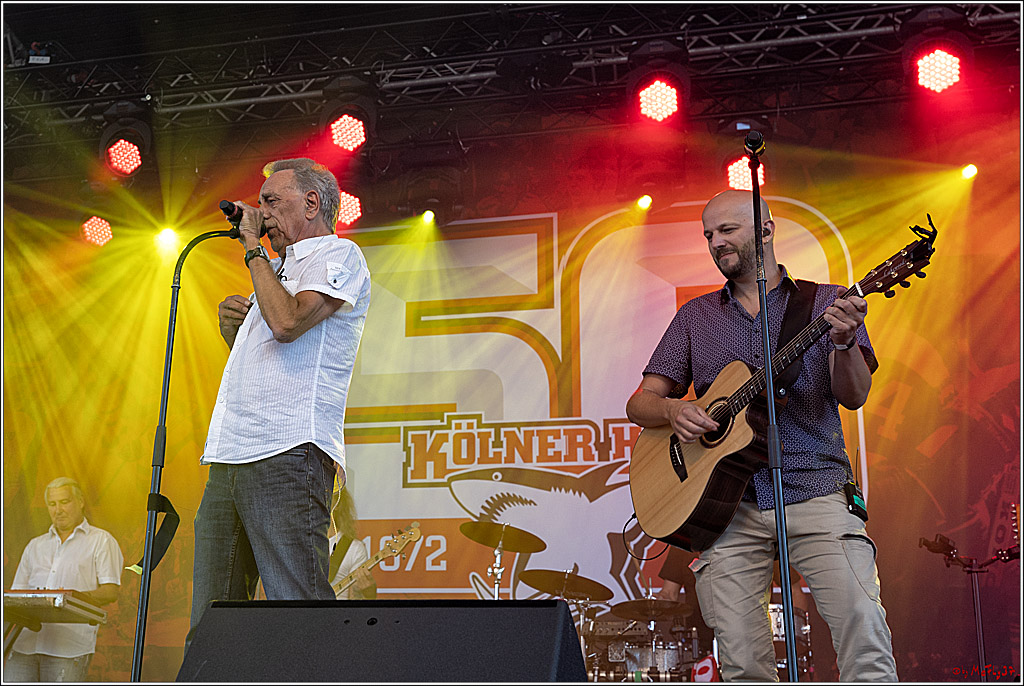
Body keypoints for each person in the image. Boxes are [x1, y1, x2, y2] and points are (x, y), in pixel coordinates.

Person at [625, 190, 897, 681]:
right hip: (726, 508)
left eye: (727, 231)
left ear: (766, 230)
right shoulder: (695, 316)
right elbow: (639, 402)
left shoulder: (827, 302)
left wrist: (842, 343)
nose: (716, 243)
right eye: (708, 235)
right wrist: (673, 409)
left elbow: (854, 396)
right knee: (742, 662)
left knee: (863, 627)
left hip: (814, 489)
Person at [188, 158, 371, 639]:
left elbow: (289, 324)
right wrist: (236, 334)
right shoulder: (277, 272)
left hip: (288, 453)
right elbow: (274, 364)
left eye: (272, 200)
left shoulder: (338, 255)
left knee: (298, 612)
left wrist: (252, 249)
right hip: (231, 457)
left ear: (312, 202)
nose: (261, 211)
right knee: (212, 623)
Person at [6, 477, 123, 682]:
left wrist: (68, 598)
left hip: (68, 647)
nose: (58, 509)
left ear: (80, 502)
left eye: (64, 502)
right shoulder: (35, 545)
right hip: (24, 644)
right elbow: (16, 594)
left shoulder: (101, 540)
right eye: (52, 504)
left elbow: (110, 591)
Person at [326, 488, 376, 600]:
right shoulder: (296, 542)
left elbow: (356, 601)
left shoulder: (353, 548)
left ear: (337, 503)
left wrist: (368, 592)